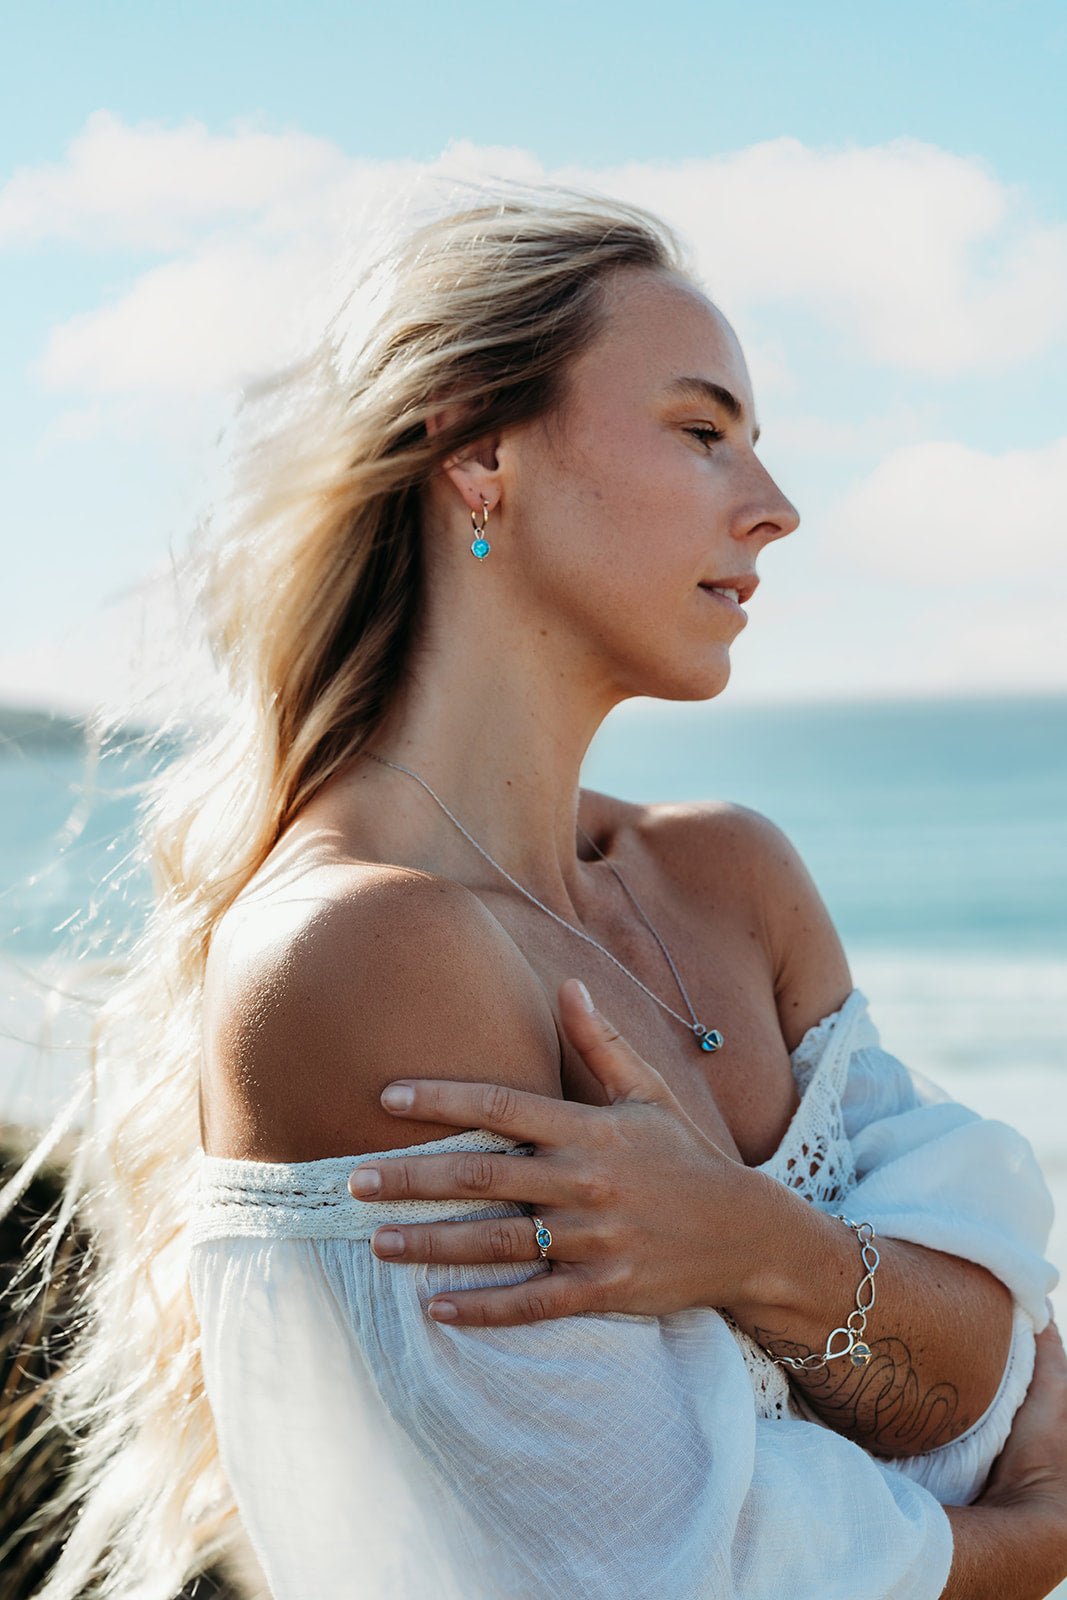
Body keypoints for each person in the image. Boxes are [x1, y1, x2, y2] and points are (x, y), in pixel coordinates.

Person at [7, 179, 1065, 1599]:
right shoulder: (362, 954)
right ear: (477, 450)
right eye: (704, 433)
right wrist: (1036, 1536)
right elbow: (680, 1569)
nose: (778, 509)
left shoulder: (729, 882)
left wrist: (752, 1246)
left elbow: (996, 1355)